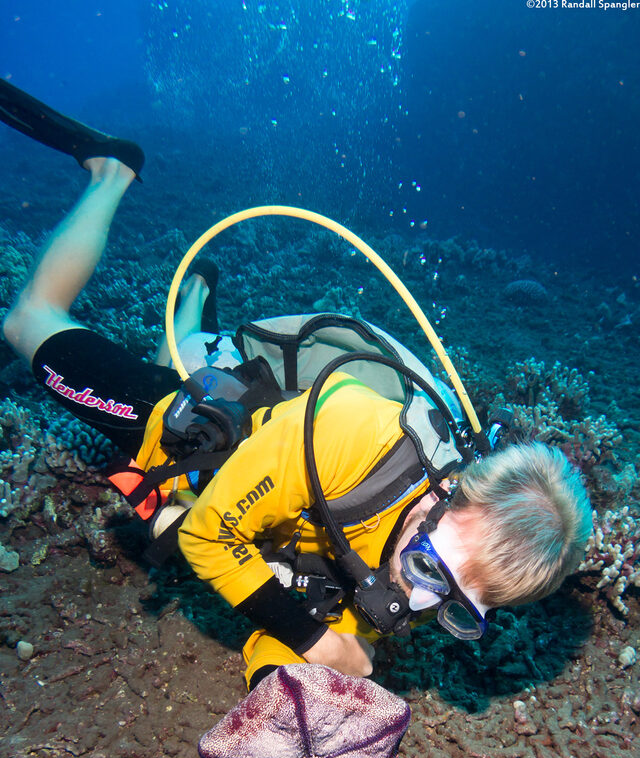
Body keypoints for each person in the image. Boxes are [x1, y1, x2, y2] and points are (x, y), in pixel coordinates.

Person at [1, 80, 593, 699]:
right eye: (426, 568)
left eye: (455, 608)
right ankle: (112, 172)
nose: (414, 598)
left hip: (258, 477)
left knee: (173, 368)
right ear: (450, 491)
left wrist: (290, 705)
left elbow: (283, 624)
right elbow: (208, 536)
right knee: (32, 322)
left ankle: (195, 300)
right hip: (215, 411)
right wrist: (317, 643)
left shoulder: (436, 563)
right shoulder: (357, 434)